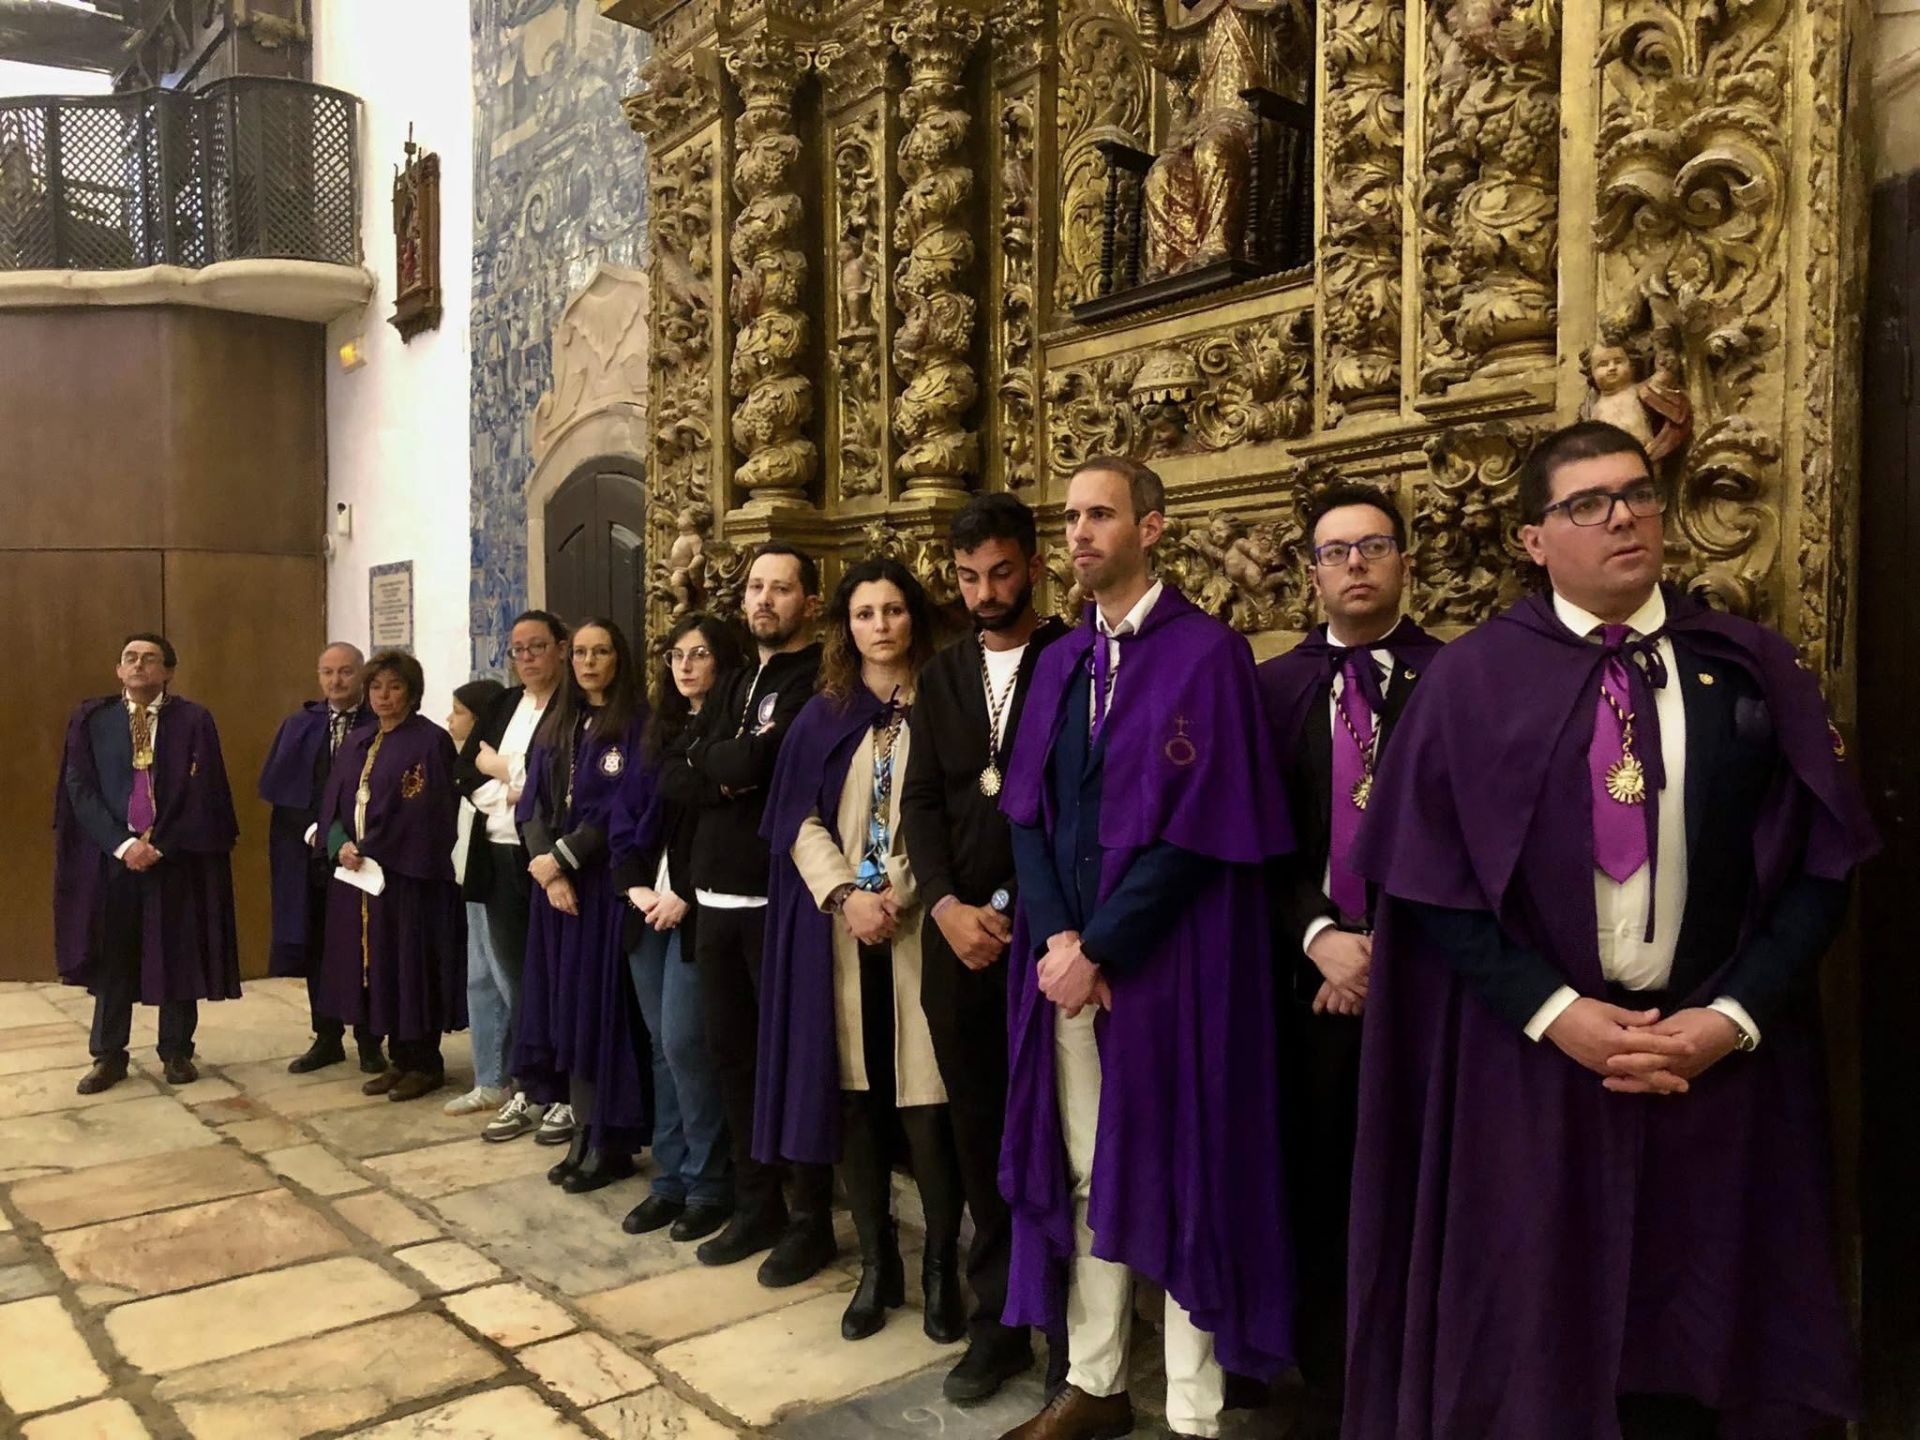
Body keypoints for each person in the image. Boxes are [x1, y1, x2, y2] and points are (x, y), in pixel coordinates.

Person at [1344, 421, 1879, 1439]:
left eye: (1636, 493)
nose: (1623, 515)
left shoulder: (1749, 664)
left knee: (1706, 1339)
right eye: (1585, 503)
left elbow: (1824, 866)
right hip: (1534, 1069)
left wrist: (1731, 1014)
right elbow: (1434, 885)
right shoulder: (1471, 682)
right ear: (1534, 541)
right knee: (1539, 1344)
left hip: (1711, 1069)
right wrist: (1553, 1012)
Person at [998, 457, 1294, 1440]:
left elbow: (1204, 829)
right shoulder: (1058, 661)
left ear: (1153, 528)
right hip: (1067, 971)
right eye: (1071, 516)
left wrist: (1107, 946)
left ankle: (1193, 1407)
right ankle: (1094, 1380)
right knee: (1085, 1169)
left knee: (1178, 1170)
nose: (1079, 533)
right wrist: (1056, 940)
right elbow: (1028, 818)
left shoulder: (1205, 655)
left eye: (1101, 515)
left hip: (1173, 966)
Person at [1251, 483, 1441, 1440]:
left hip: (1431, 986)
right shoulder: (1273, 688)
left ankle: (1422, 1375)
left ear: (1407, 560)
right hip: (1309, 985)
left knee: (1425, 1184)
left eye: (1373, 546)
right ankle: (1328, 1380)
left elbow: (1476, 839)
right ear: (1311, 572)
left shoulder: (1457, 680)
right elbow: (1256, 842)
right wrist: (1323, 940)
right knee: (1321, 1182)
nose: (1355, 564)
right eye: (1335, 551)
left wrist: (1389, 951)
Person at [757, 559, 966, 1344]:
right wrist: (847, 894)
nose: (880, 626)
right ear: (846, 626)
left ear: (915, 616)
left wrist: (898, 894)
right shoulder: (825, 713)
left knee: (926, 1108)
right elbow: (796, 817)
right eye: (865, 613)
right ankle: (879, 1268)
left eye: (893, 611)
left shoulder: (947, 701)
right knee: (858, 1105)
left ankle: (942, 1269)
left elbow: (950, 816)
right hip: (844, 934)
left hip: (918, 928)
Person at [900, 493, 1069, 1401]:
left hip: (1046, 939)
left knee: (1061, 1133)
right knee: (979, 1135)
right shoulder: (944, 674)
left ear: (1033, 566)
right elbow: (921, 799)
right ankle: (998, 1319)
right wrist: (947, 906)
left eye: (1001, 573)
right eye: (969, 578)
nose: (986, 592)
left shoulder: (1074, 659)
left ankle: (1076, 1337)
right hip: (958, 938)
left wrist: (1012, 910)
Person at [680, 545, 838, 1287]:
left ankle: (809, 1219)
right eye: (755, 588)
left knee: (790, 1065)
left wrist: (725, 765)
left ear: (809, 600)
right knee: (732, 1061)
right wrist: (725, 768)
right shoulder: (738, 677)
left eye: (781, 587)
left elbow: (760, 771)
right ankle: (755, 1203)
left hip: (778, 904)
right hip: (713, 900)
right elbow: (682, 769)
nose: (765, 600)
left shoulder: (817, 683)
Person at [54, 633, 241, 1093]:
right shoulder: (92, 718)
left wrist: (164, 843)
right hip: (112, 860)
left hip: (173, 858)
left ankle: (176, 1051)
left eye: (150, 659)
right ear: (119, 670)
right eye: (130, 659)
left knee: (176, 951)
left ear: (168, 672)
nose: (139, 666)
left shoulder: (194, 720)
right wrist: (122, 844)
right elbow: (79, 787)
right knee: (113, 957)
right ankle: (108, 1056)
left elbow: (207, 789)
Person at [612, 614, 742, 1241]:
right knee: (663, 1052)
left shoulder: (730, 728)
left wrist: (685, 894)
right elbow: (630, 815)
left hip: (697, 908)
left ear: (724, 662)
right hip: (647, 905)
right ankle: (671, 1181)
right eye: (676, 655)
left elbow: (726, 820)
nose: (686, 666)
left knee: (690, 1046)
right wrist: (635, 885)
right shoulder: (656, 731)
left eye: (700, 654)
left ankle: (712, 1184)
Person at [515, 618, 653, 1195]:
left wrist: (566, 859)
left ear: (619, 659)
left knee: (601, 1014)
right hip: (557, 891)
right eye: (582, 654)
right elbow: (532, 803)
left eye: (602, 652)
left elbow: (624, 807)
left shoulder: (637, 724)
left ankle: (610, 1139)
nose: (590, 663)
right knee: (563, 1010)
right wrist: (547, 867)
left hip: (600, 888)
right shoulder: (558, 722)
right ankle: (579, 1129)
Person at [316, 650, 466, 1101]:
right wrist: (339, 842)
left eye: (395, 687)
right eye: (377, 687)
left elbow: (426, 811)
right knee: (377, 968)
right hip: (360, 878)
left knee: (410, 966)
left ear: (412, 692)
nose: (384, 696)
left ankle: (425, 1062)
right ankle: (399, 1060)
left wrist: (374, 847)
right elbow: (335, 803)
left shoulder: (428, 742)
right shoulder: (357, 742)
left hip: (407, 877)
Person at [455, 610, 571, 1144]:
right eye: (518, 650)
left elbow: (563, 780)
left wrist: (504, 769)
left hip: (552, 860)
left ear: (561, 649)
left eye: (537, 647)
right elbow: (465, 772)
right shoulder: (504, 704)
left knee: (557, 977)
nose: (526, 658)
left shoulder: (573, 707)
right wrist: (512, 784)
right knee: (516, 980)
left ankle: (566, 1093)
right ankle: (529, 1085)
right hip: (500, 857)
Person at [260, 642, 382, 1076]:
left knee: (366, 945)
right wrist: (323, 837)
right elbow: (286, 795)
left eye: (346, 672)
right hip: (311, 852)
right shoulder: (300, 725)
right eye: (327, 672)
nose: (336, 681)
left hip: (366, 856)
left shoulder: (380, 722)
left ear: (362, 675)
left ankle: (370, 1040)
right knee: (317, 944)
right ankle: (326, 1036)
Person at [445, 678, 508, 1115]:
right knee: (479, 977)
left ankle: (522, 1079)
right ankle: (489, 1078)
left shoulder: (494, 761)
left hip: (499, 871)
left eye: (459, 712)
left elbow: (499, 801)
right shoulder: (463, 762)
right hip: (472, 875)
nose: (450, 720)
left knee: (506, 976)